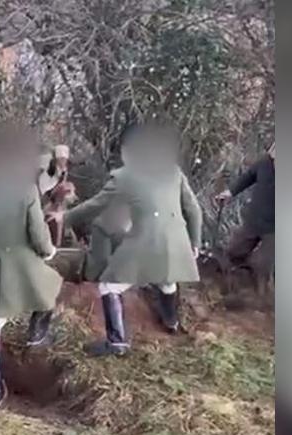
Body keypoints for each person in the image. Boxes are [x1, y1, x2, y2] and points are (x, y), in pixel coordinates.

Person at [50, 122, 203, 355]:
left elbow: (96, 205)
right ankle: (171, 322)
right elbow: (193, 210)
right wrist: (195, 242)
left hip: (145, 242)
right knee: (166, 281)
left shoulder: (124, 176)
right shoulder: (173, 171)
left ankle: (117, 342)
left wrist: (65, 217)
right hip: (175, 242)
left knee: (108, 286)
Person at [0, 125, 63, 403]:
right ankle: (37, 335)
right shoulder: (27, 191)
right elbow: (39, 235)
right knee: (51, 288)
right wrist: (48, 251)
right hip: (23, 264)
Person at [216, 143, 275, 271]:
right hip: (254, 220)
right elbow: (248, 176)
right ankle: (233, 285)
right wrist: (230, 192)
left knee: (261, 265)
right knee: (232, 253)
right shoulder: (265, 163)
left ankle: (262, 289)